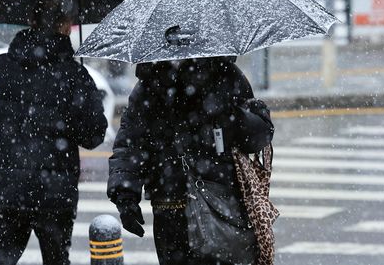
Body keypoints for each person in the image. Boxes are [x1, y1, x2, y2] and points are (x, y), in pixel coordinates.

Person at [107, 57, 274, 265]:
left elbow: (258, 138)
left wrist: (232, 115)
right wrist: (125, 195)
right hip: (170, 209)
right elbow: (130, 145)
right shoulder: (150, 85)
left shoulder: (225, 75)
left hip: (220, 204)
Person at [0, 7, 108, 265]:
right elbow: (94, 135)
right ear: (67, 26)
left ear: (30, 20)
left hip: (5, 189)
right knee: (56, 260)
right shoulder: (72, 75)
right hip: (54, 194)